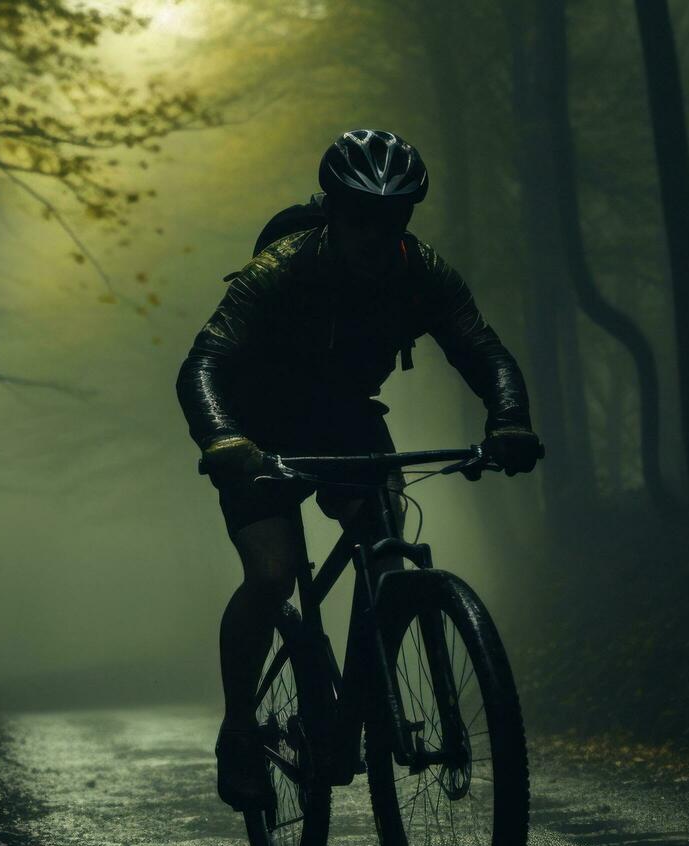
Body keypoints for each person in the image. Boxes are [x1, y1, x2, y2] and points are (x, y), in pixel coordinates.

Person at [176, 129, 541, 810]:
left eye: (393, 220)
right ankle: (236, 732)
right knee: (272, 573)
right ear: (333, 212)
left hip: (344, 417)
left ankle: (360, 707)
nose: (376, 236)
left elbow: (481, 350)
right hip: (257, 425)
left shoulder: (422, 271)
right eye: (360, 220)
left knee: (384, 553)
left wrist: (509, 420)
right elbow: (202, 364)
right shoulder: (280, 268)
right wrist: (223, 438)